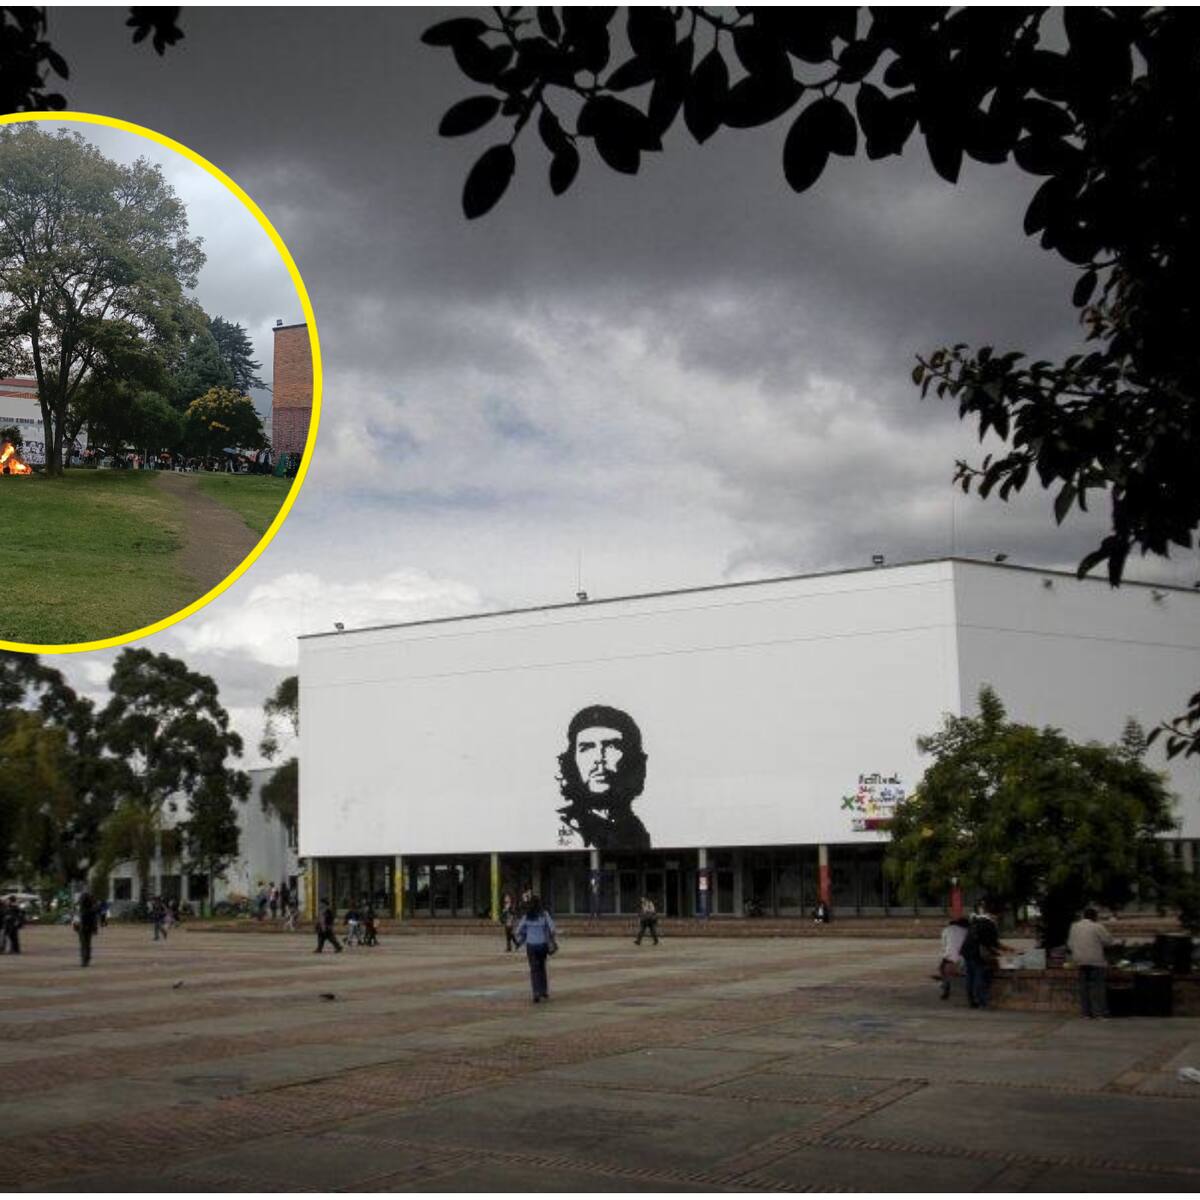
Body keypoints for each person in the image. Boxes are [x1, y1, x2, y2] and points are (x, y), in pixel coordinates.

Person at [556, 704, 651, 850]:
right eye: (586, 747)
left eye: (611, 746)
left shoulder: (636, 829)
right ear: (572, 760)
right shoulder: (563, 824)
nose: (599, 758)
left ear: (632, 758)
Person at [960, 903, 1013, 1010]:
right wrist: (1008, 950)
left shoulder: (976, 921)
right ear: (997, 914)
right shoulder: (989, 924)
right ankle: (982, 1002)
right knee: (980, 977)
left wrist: (1005, 949)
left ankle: (972, 1001)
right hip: (977, 954)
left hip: (966, 952)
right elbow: (992, 943)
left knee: (970, 977)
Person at [1067, 906, 1115, 1018]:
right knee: (1098, 987)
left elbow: (1070, 944)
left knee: (1083, 987)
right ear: (1095, 916)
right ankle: (1099, 1013)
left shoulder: (1074, 927)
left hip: (1079, 960)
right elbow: (1108, 941)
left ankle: (1086, 1013)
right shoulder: (1097, 926)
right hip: (1096, 961)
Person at [514, 894, 557, 1003]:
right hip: (542, 945)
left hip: (531, 946)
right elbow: (552, 929)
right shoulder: (544, 914)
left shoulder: (527, 916)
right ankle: (544, 990)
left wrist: (526, 934)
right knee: (542, 967)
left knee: (534, 969)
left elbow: (518, 931)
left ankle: (536, 992)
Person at [936, 917, 970, 1000]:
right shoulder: (966, 931)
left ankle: (946, 989)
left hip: (949, 957)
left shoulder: (947, 930)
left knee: (942, 970)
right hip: (964, 957)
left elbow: (944, 944)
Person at [76, 891, 98, 967]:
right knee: (87, 944)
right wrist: (95, 929)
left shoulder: (82, 910)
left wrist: (76, 927)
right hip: (88, 928)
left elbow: (77, 920)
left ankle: (84, 959)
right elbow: (94, 920)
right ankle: (86, 959)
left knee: (84, 944)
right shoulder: (92, 909)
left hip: (83, 928)